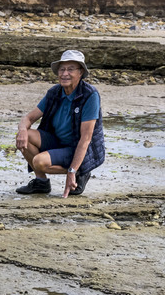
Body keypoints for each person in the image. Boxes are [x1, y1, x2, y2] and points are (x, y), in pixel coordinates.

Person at [14, 49, 106, 197]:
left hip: (77, 147)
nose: (64, 73)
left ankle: (81, 171)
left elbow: (86, 139)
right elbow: (28, 118)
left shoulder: (90, 95)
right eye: (62, 69)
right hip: (57, 141)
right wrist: (22, 131)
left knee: (39, 162)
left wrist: (72, 171)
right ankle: (41, 182)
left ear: (81, 72)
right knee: (26, 136)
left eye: (70, 69)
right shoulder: (55, 92)